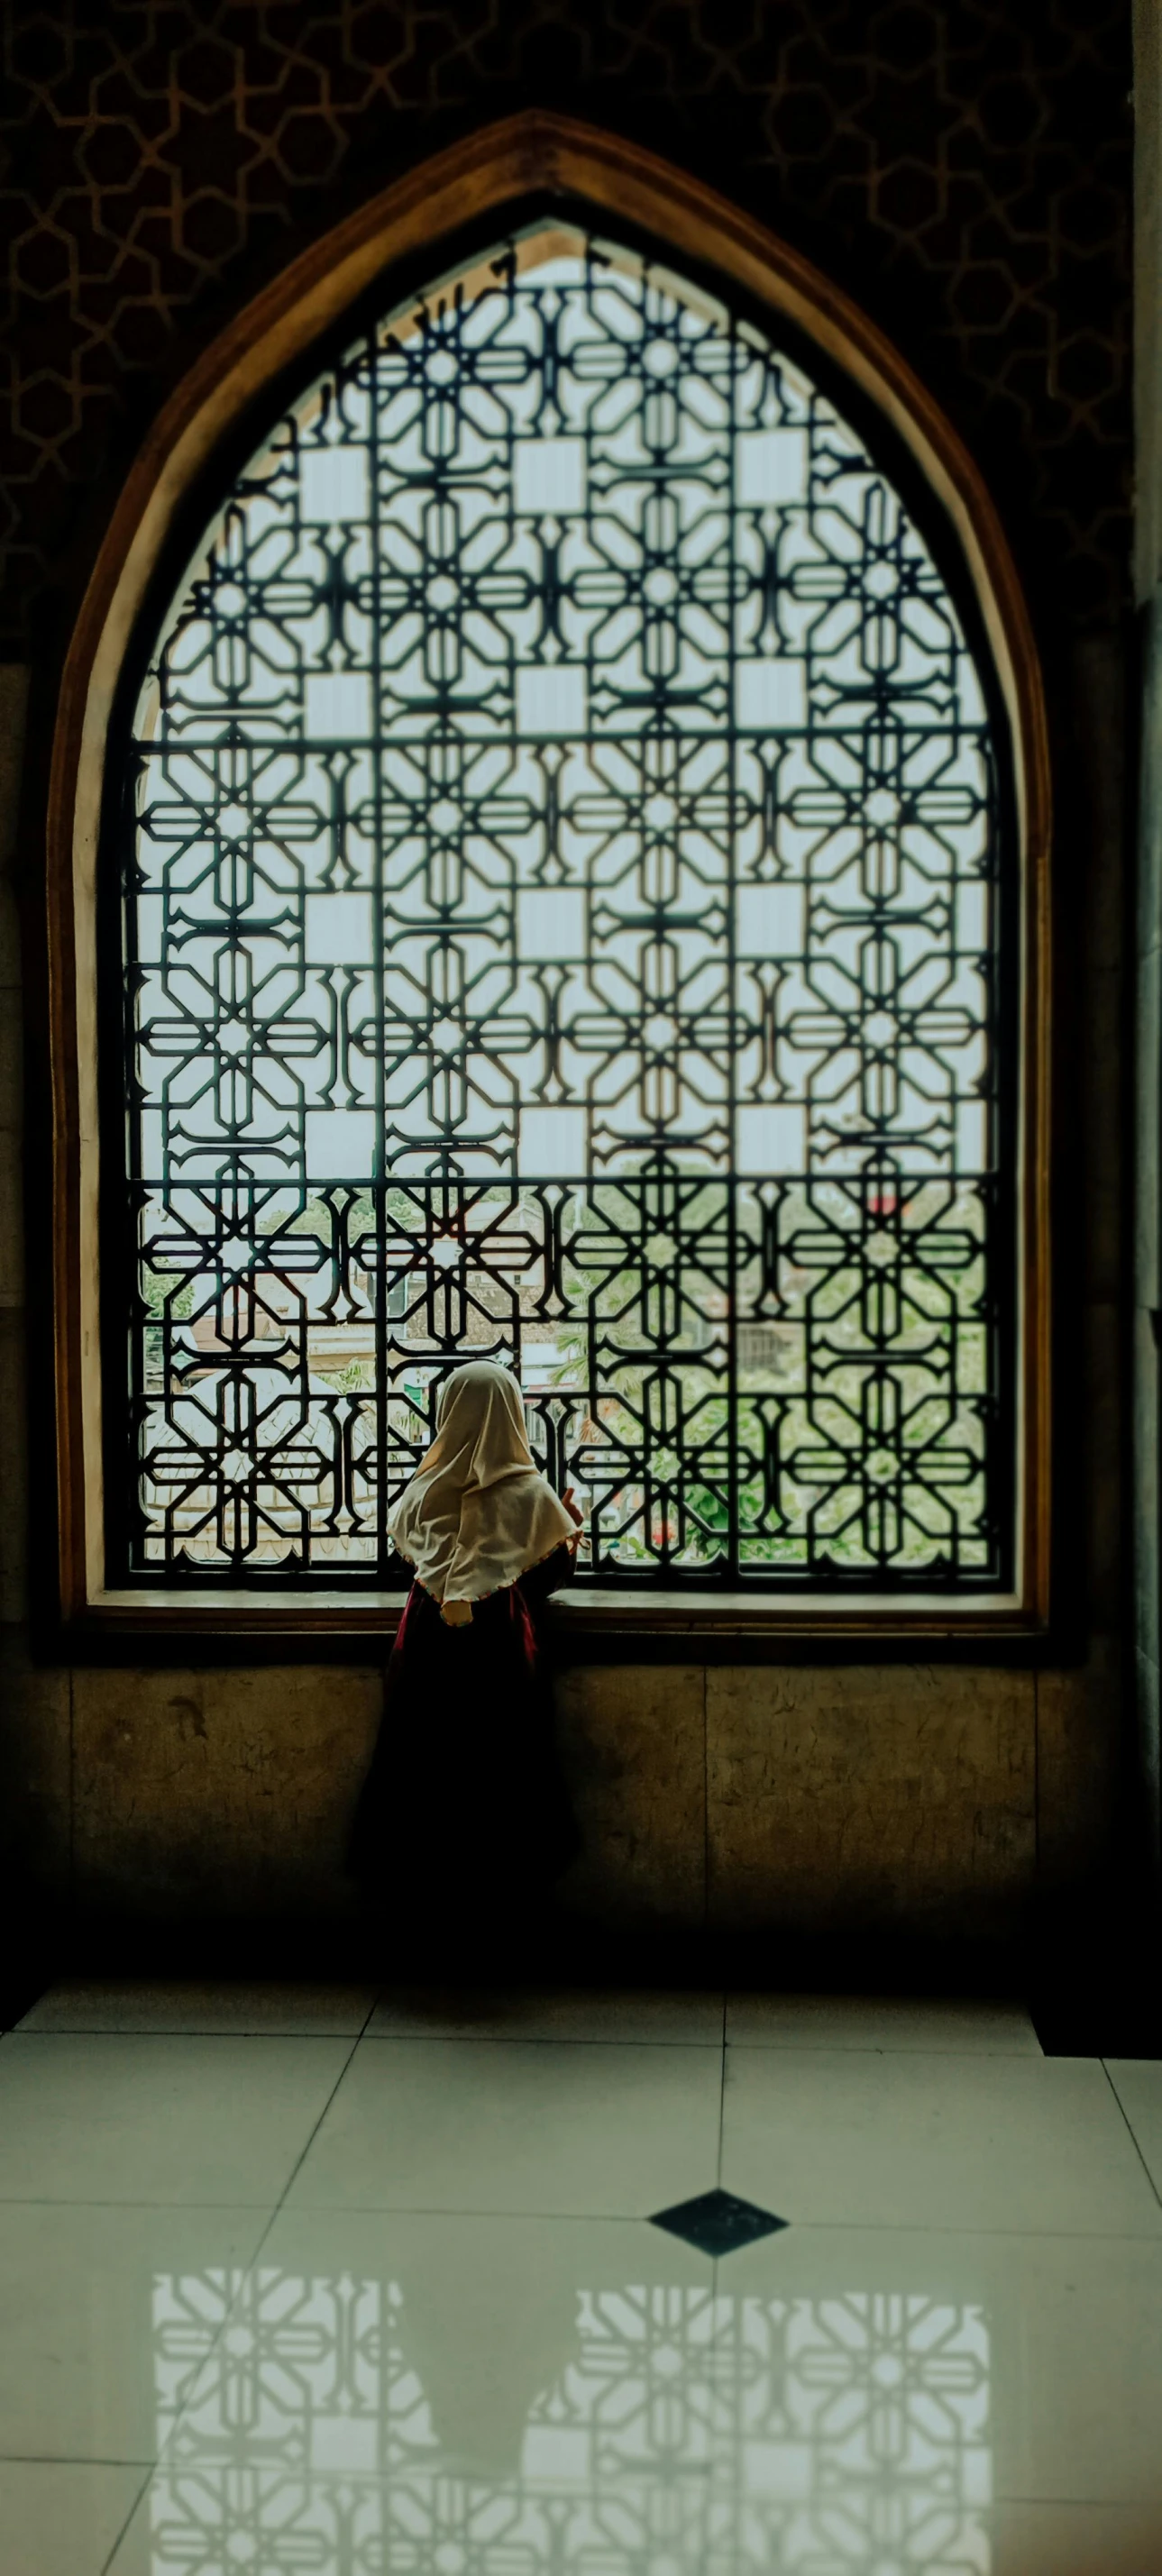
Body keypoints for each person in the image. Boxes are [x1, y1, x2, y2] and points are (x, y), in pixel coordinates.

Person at [349, 1359, 582, 1955]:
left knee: (423, 1765)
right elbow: (544, 1576)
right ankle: (499, 1920)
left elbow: (406, 1557)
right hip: (498, 1653)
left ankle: (425, 1919)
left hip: (426, 1646)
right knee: (501, 1767)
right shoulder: (531, 1497)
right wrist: (569, 1530)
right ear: (512, 1411)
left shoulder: (423, 1492)